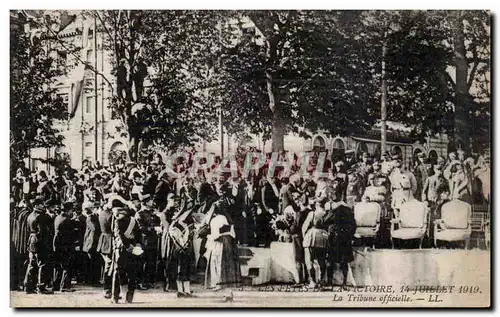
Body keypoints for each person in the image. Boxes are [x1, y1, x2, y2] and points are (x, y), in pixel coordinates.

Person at [322, 183, 356, 289]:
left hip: (334, 237)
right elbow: (353, 225)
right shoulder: (348, 209)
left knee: (330, 260)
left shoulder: (334, 209)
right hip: (344, 238)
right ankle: (344, 283)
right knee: (343, 261)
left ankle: (329, 282)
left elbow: (324, 220)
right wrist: (350, 236)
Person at [204, 199, 241, 294]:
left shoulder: (215, 220)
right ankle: (228, 293)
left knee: (219, 266)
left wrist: (209, 236)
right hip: (228, 244)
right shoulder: (227, 218)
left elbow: (216, 234)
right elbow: (231, 233)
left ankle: (223, 289)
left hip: (219, 245)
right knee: (227, 268)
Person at [109, 197, 142, 304]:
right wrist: (137, 245)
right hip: (133, 248)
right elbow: (138, 234)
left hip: (121, 249)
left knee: (117, 273)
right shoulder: (133, 219)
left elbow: (119, 235)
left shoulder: (117, 220)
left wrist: (128, 246)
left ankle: (115, 297)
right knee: (132, 273)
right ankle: (129, 297)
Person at [24, 198, 53, 294]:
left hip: (31, 240)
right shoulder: (41, 216)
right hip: (40, 242)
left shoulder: (30, 215)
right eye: (41, 204)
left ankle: (28, 286)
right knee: (42, 264)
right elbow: (42, 231)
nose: (43, 205)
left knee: (31, 264)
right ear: (36, 205)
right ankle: (41, 287)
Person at [301, 197, 328, 289]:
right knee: (321, 260)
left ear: (316, 204)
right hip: (324, 238)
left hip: (312, 237)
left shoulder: (312, 213)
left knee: (309, 260)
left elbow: (304, 227)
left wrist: (304, 237)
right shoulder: (326, 213)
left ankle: (312, 281)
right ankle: (321, 281)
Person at [52, 202, 75, 292]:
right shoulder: (66, 219)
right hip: (65, 245)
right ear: (68, 210)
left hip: (57, 244)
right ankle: (65, 286)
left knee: (58, 266)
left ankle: (56, 285)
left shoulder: (58, 217)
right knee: (67, 265)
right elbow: (69, 234)